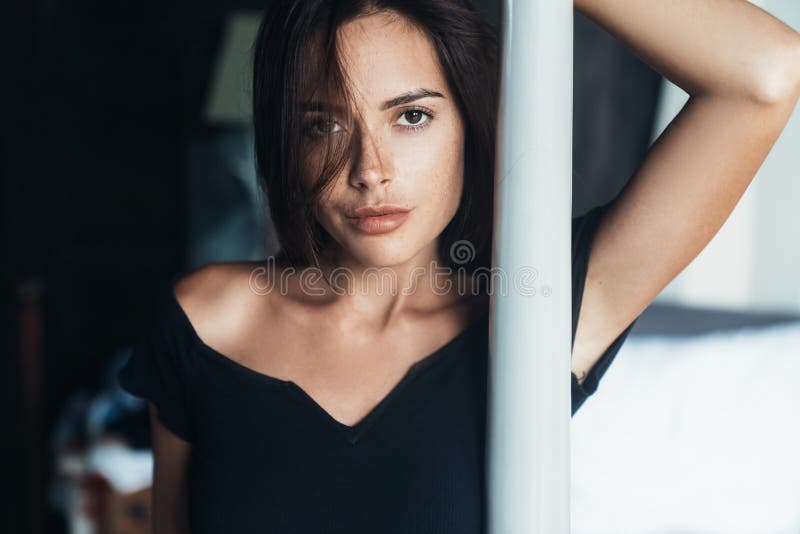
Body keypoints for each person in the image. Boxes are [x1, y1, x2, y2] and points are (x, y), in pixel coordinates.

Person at [118, 0, 800, 532]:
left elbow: (763, 75)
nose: (369, 171)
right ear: (285, 142)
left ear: (468, 126)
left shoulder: (536, 314)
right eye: (323, 125)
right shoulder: (207, 320)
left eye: (411, 117)